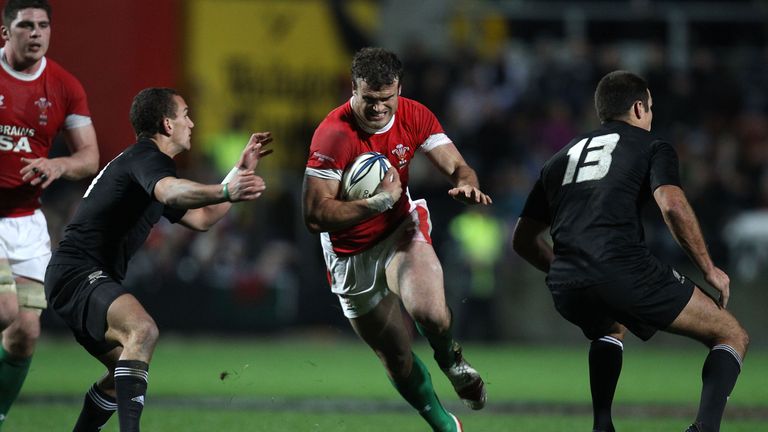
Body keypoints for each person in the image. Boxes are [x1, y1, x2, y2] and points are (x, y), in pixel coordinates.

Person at [511, 70, 749, 432]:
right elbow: (672, 205)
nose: (651, 115)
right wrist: (709, 268)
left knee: (610, 324)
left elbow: (523, 240)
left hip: (565, 282)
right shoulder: (652, 145)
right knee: (731, 334)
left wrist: (566, 270)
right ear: (639, 108)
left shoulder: (559, 158)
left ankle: (602, 426)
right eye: (650, 107)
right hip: (620, 268)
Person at [44, 87, 272, 432]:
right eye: (185, 115)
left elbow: (203, 219)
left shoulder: (146, 170)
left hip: (74, 277)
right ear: (167, 124)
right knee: (143, 329)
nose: (191, 123)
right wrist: (226, 190)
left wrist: (235, 174)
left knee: (120, 372)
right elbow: (169, 190)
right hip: (77, 273)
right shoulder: (148, 160)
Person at [302, 47, 491, 432]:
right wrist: (377, 202)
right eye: (367, 100)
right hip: (349, 253)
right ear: (353, 90)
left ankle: (451, 360)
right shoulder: (333, 135)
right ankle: (445, 424)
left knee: (430, 313)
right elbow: (315, 215)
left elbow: (457, 165)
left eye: (385, 99)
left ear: (398, 90)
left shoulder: (413, 114)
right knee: (396, 358)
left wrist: (467, 184)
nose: (376, 109)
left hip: (400, 229)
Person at [0, 0, 99, 428]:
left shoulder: (64, 85)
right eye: (25, 25)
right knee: (4, 310)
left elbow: (89, 157)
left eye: (43, 25)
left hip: (26, 222)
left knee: (25, 333)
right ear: (6, 32)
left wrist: (58, 166)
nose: (36, 33)